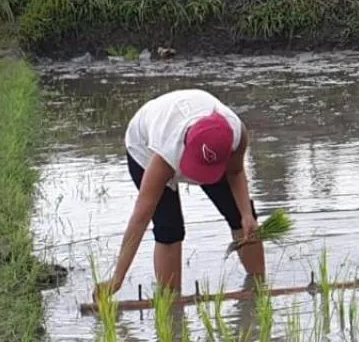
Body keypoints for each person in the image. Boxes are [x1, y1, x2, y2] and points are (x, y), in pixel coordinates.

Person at [94, 89, 266, 298]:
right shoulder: (166, 152)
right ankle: (171, 303)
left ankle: (258, 290)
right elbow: (141, 217)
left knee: (241, 216)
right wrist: (116, 279)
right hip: (144, 148)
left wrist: (247, 215)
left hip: (203, 136)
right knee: (169, 227)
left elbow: (236, 171)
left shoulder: (236, 134)